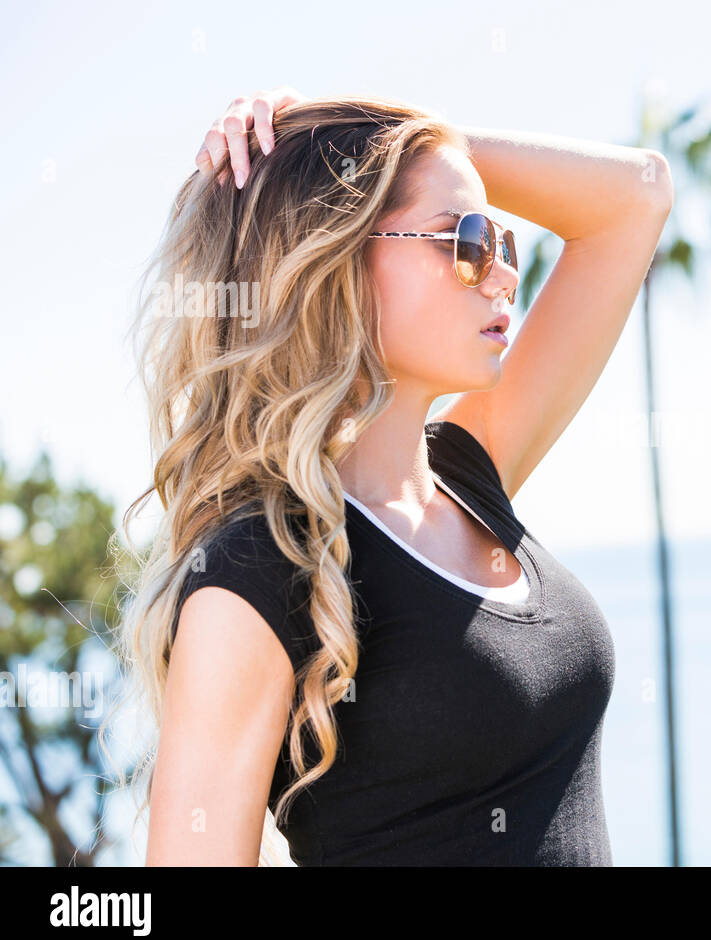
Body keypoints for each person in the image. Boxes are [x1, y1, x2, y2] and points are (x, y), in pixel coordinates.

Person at [112, 88, 672, 865]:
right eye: (466, 239)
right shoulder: (260, 567)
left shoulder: (468, 477)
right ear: (335, 251)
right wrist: (366, 156)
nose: (503, 275)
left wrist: (412, 142)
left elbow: (637, 194)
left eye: (504, 242)